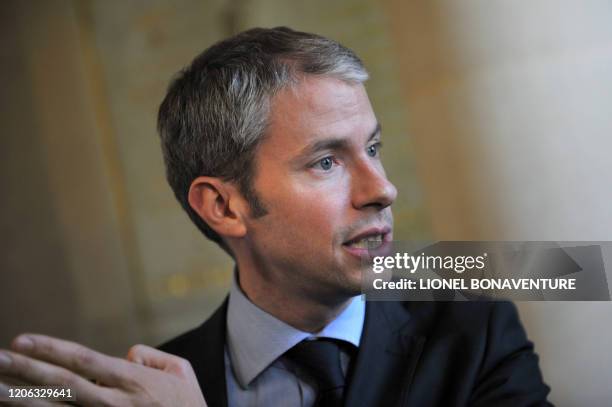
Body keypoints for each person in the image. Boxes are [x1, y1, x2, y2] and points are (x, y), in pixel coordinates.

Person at [0, 27, 551, 406]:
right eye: (327, 161)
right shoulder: (148, 388)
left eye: (374, 149)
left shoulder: (475, 334)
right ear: (225, 206)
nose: (383, 189)